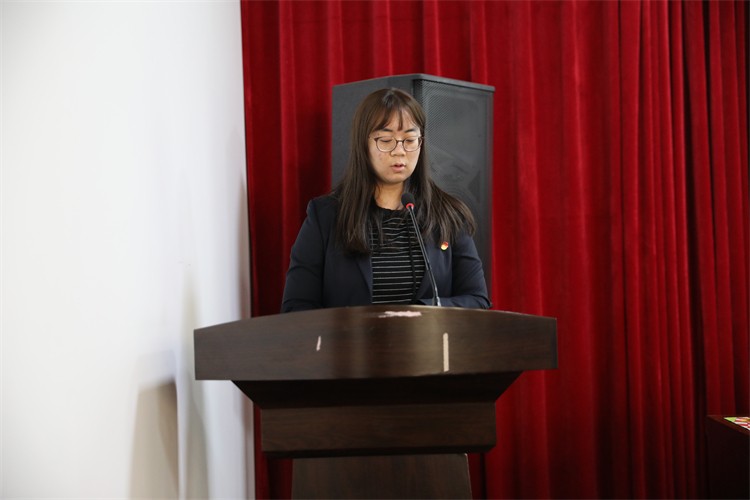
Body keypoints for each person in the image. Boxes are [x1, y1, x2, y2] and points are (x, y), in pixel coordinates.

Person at [281, 88, 491, 312]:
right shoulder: (325, 216)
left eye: (409, 140)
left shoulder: (449, 214)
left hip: (425, 335)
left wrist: (420, 312)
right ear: (363, 145)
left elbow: (477, 300)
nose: (399, 151)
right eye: (386, 140)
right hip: (348, 336)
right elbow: (296, 306)